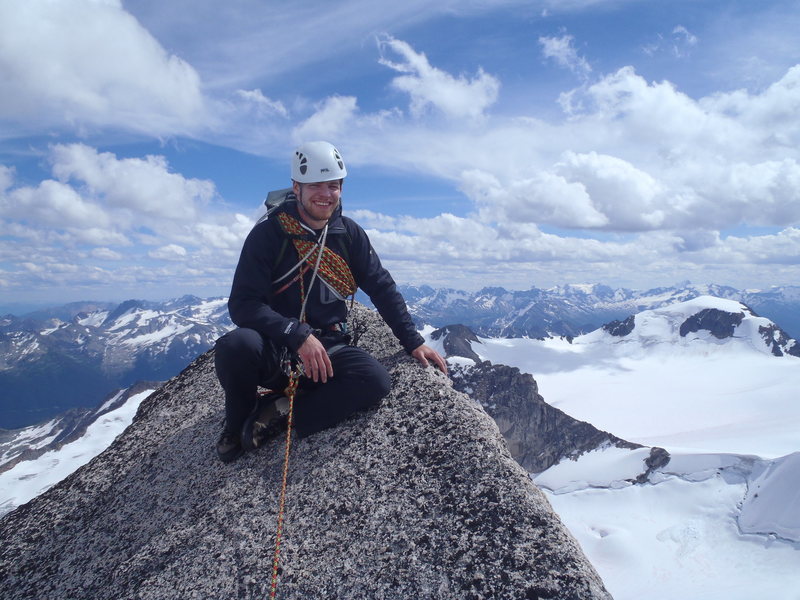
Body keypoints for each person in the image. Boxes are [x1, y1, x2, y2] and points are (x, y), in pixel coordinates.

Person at [214, 141, 447, 463]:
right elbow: (243, 304)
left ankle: (284, 412)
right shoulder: (269, 235)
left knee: (374, 381)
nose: (325, 194)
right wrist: (296, 334)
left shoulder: (347, 234)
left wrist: (412, 341)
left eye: (333, 186)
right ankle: (237, 420)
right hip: (277, 348)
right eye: (315, 186)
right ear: (296, 188)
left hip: (328, 347)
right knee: (235, 346)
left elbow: (381, 287)